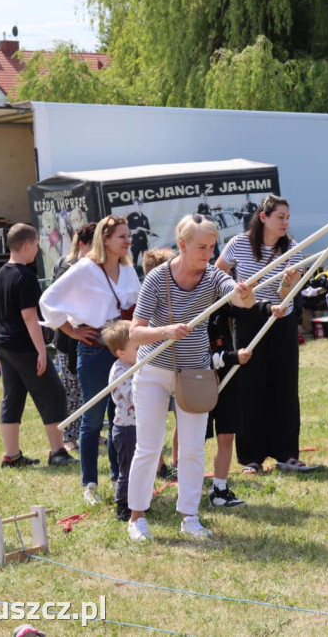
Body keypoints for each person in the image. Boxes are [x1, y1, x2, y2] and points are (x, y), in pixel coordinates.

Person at [126, 213, 257, 542]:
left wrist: (245, 292)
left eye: (212, 247)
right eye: (201, 247)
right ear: (181, 245)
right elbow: (135, 332)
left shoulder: (213, 276)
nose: (209, 254)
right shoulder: (157, 279)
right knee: (149, 446)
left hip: (196, 373)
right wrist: (166, 331)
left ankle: (190, 517)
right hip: (154, 370)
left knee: (193, 448)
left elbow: (241, 299)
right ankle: (137, 518)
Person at [40, 215, 141, 505]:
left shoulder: (128, 269)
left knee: (120, 415)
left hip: (123, 348)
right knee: (93, 418)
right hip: (95, 348)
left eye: (128, 235)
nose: (127, 240)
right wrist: (70, 328)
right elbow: (49, 299)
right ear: (105, 239)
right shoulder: (84, 269)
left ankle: (117, 475)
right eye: (121, 236)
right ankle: (90, 484)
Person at [216, 194, 313, 473]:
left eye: (287, 217)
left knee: (284, 385)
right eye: (280, 217)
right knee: (249, 387)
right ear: (263, 217)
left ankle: (286, 453)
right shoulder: (239, 243)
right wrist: (238, 289)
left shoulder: (293, 248)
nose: (285, 222)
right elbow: (218, 275)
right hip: (249, 319)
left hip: (280, 321)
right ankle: (251, 458)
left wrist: (287, 287)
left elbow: (289, 294)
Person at [0, 223, 75, 468]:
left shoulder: (2, 273)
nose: (37, 250)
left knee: (12, 397)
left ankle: (12, 455)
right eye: (37, 245)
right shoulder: (25, 276)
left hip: (4, 345)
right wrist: (41, 350)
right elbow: (29, 317)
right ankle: (58, 451)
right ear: (27, 245)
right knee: (53, 393)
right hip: (24, 347)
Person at [49, 221, 97, 452]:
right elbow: (54, 305)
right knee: (72, 390)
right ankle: (68, 438)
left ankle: (91, 433)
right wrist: (73, 331)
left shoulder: (84, 265)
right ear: (82, 244)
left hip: (83, 337)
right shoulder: (68, 267)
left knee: (88, 389)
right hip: (69, 340)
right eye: (95, 244)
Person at [205, 301, 252, 507]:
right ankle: (187, 490)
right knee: (195, 439)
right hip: (198, 381)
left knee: (226, 434)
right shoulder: (185, 308)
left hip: (227, 376)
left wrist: (269, 309)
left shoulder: (218, 303)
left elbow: (245, 308)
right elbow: (198, 356)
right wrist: (232, 357)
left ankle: (220, 489)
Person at [143, 248, 181, 481]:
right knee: (154, 423)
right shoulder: (151, 295)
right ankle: (158, 466)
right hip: (157, 366)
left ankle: (176, 460)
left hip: (180, 366)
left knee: (182, 415)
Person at [103, 320, 138, 522]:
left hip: (137, 425)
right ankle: (123, 506)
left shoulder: (133, 365)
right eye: (137, 347)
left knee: (139, 466)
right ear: (121, 353)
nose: (142, 350)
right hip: (126, 429)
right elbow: (134, 396)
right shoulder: (120, 372)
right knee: (127, 469)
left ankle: (138, 501)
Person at [127, 198, 155, 273]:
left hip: (144, 242)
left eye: (140, 204)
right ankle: (132, 276)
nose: (139, 205)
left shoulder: (144, 217)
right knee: (134, 261)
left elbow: (148, 230)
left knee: (147, 261)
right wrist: (134, 231)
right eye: (137, 204)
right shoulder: (130, 217)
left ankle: (147, 276)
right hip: (135, 242)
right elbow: (127, 231)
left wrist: (151, 233)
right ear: (134, 205)